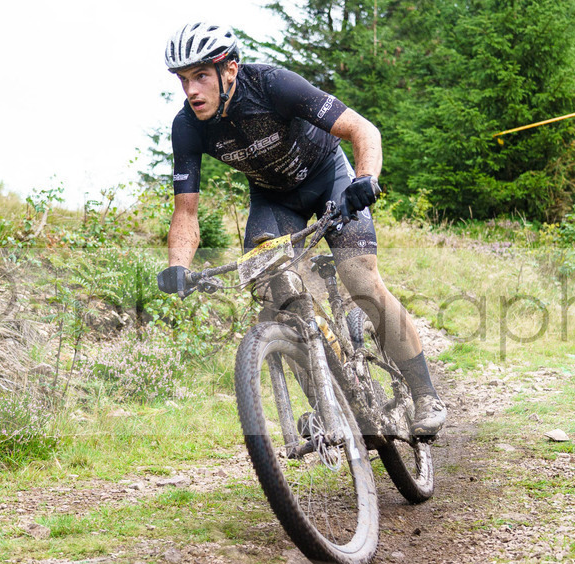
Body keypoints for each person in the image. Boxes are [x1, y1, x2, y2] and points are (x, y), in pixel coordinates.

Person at [155, 22, 446, 436]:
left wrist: (366, 178)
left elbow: (363, 129)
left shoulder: (274, 85)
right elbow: (186, 211)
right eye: (183, 80)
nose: (191, 91)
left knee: (360, 279)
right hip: (274, 200)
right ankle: (331, 406)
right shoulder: (187, 126)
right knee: (273, 293)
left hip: (329, 179)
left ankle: (426, 396)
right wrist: (178, 266)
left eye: (201, 76)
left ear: (230, 70)